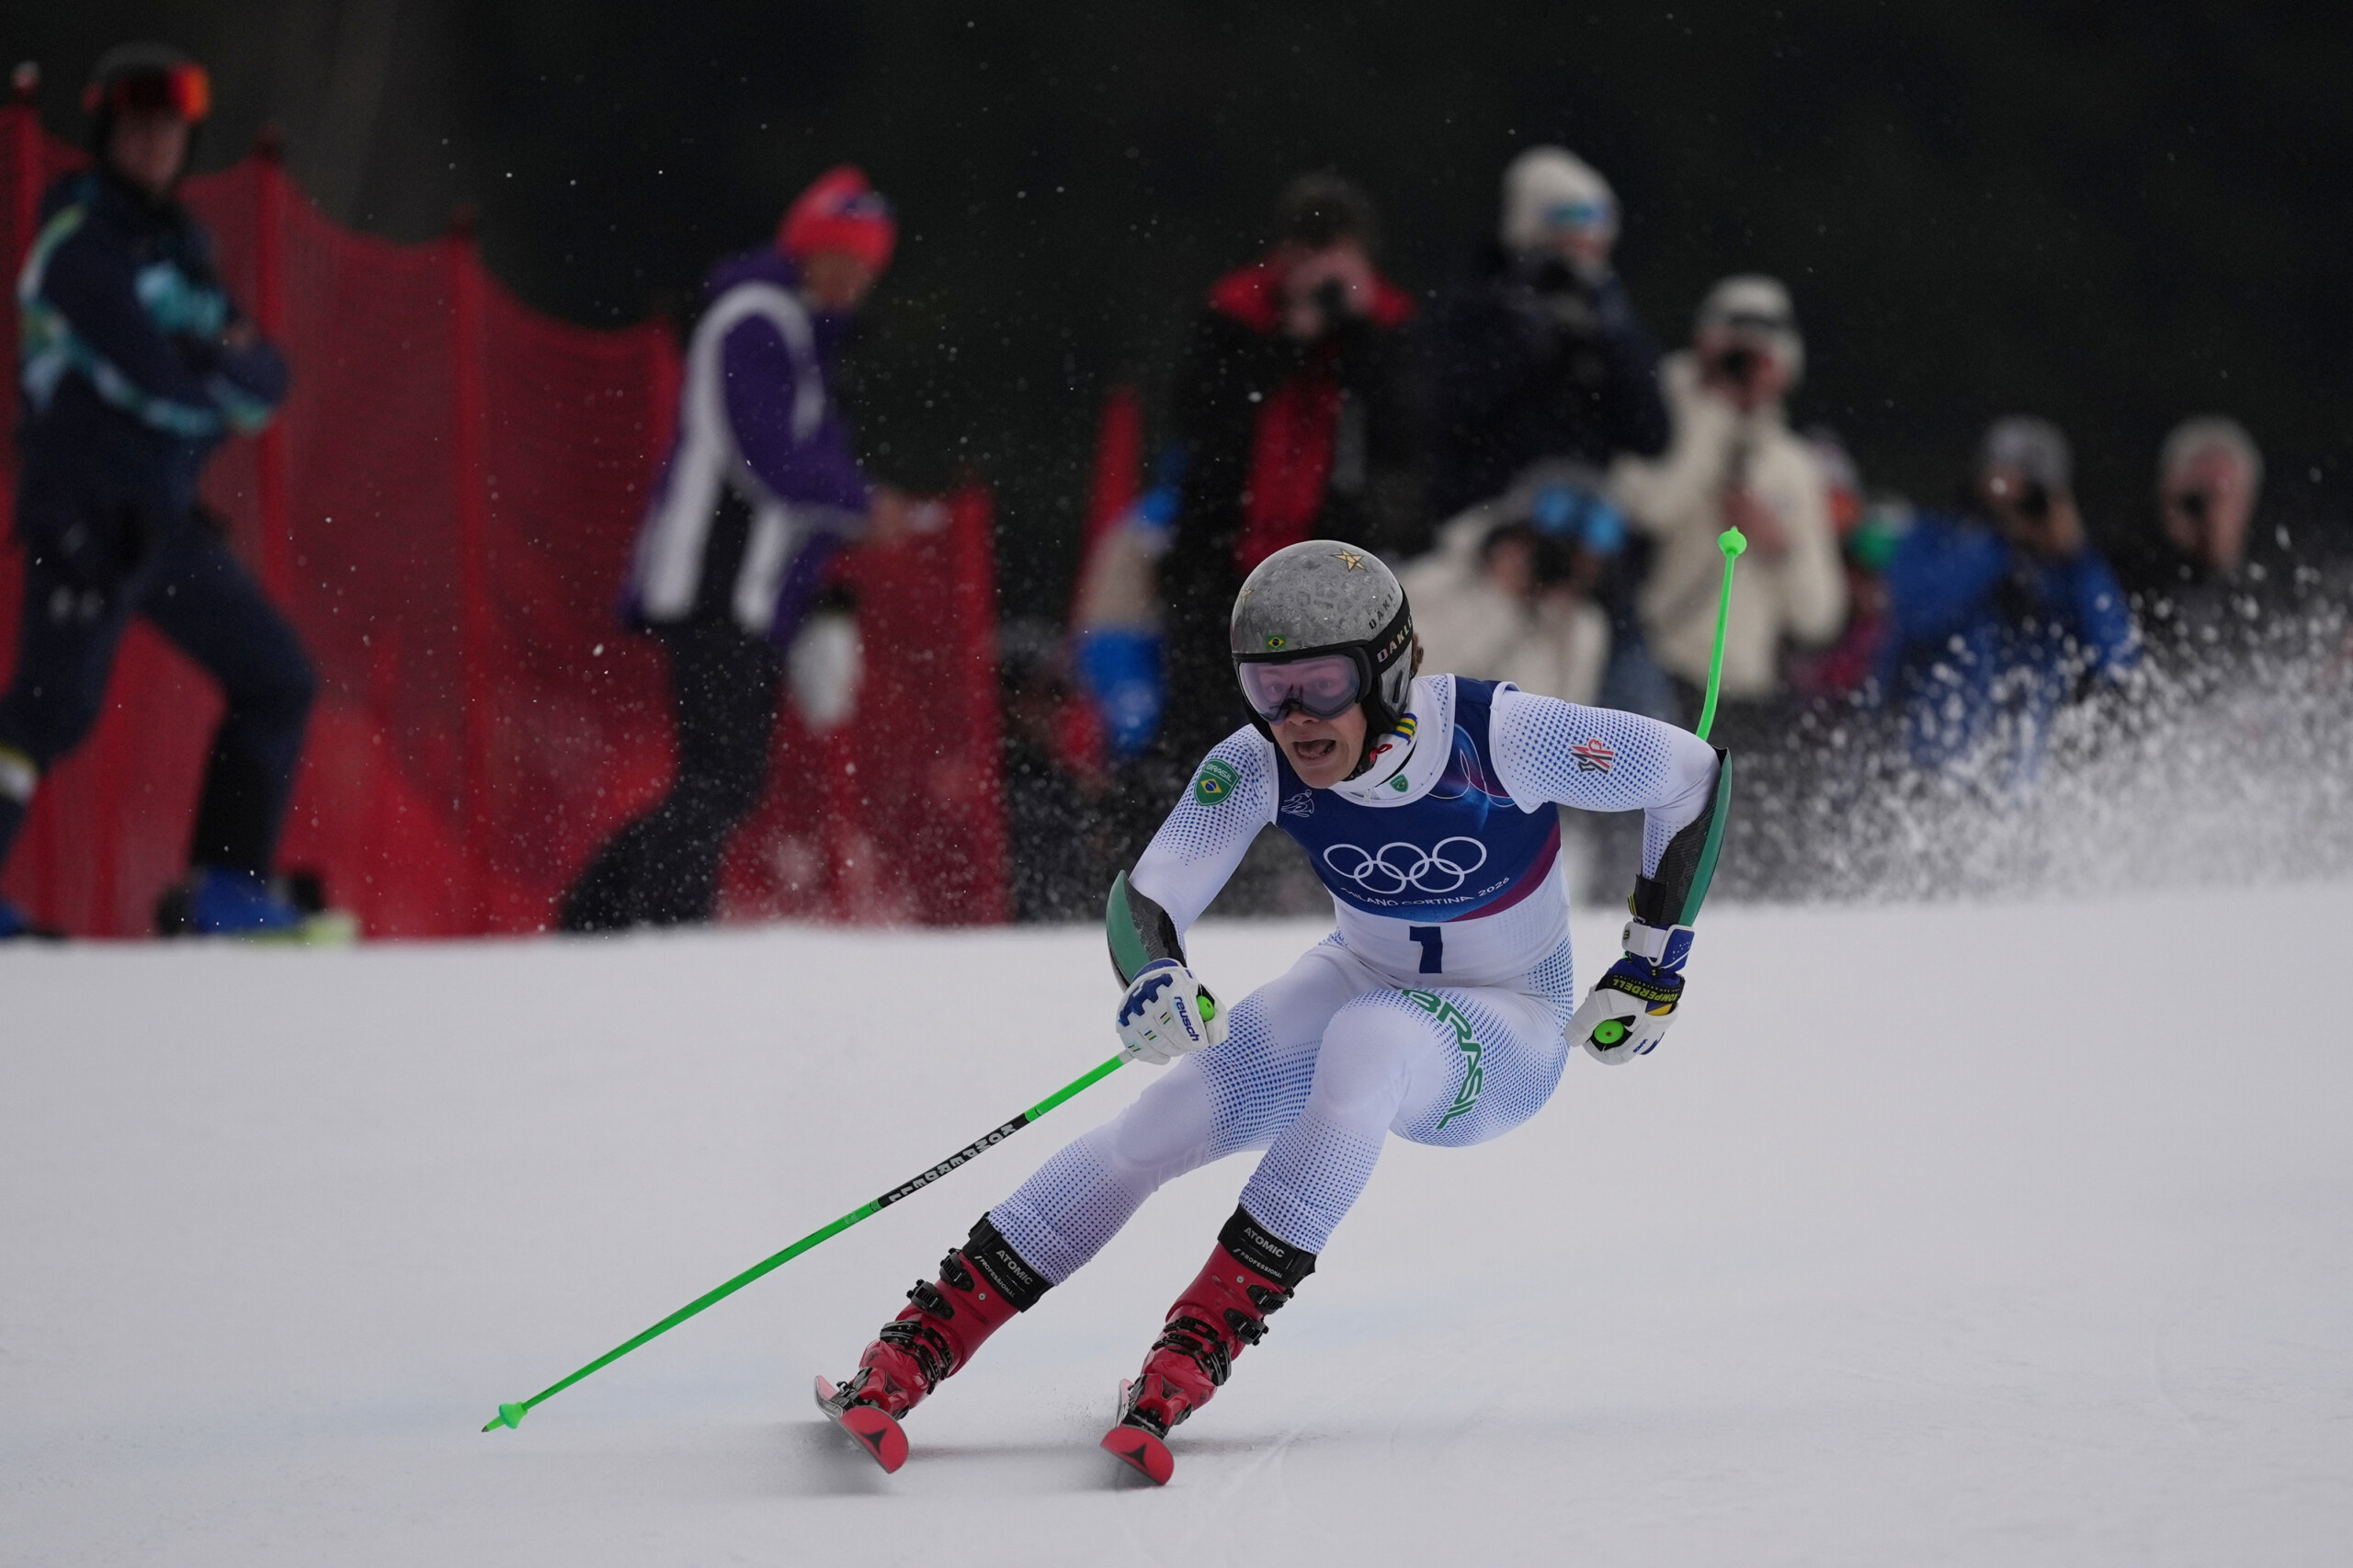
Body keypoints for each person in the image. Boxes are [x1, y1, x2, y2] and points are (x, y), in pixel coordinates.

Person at [816, 540, 1733, 1484]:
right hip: (1360, 972)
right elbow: (1151, 897)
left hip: (1506, 1028)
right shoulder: (1256, 763)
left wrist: (1653, 965)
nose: (1293, 717)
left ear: (1387, 667)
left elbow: (1690, 774)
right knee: (1159, 1121)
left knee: (1368, 1040)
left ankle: (1191, 1350)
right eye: (1266, 686)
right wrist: (1154, 976)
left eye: (1321, 683)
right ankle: (911, 1349)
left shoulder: (1500, 735)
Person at [1, 43, 310, 940]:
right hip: (86, 515)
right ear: (106, 133)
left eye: (169, 129)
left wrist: (207, 371)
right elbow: (155, 380)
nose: (154, 144)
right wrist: (212, 371)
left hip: (162, 519)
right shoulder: (78, 243)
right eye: (136, 128)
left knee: (277, 677)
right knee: (48, 711)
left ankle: (225, 892)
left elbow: (271, 380)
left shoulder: (180, 246)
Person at [559, 165, 920, 932]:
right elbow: (769, 461)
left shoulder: (799, 337)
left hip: (750, 592)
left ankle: (600, 920)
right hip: (712, 582)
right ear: (809, 253)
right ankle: (648, 921)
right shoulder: (755, 321)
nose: (857, 285)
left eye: (869, 270)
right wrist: (862, 504)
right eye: (847, 264)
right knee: (722, 777)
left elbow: (798, 477)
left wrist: (824, 590)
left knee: (724, 779)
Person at [1151, 175, 1421, 786]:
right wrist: (1290, 337)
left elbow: (1405, 436)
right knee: (1203, 728)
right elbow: (1201, 418)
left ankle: (1303, 865)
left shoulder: (1385, 325)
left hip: (1337, 571)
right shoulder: (1239, 313)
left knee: (1331, 724)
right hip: (1222, 560)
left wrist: (1358, 334)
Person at [1611, 276, 1845, 747]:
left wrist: (1778, 545)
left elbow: (1820, 616)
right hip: (1656, 669)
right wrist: (1714, 415)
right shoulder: (1658, 422)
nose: (1746, 366)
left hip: (1744, 693)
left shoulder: (1794, 467)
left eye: (1759, 355)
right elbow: (1648, 511)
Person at [1875, 416, 2138, 786]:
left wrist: (2078, 558)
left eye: (2030, 492)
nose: (2014, 501)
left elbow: (2118, 658)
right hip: (1923, 769)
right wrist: (1998, 545)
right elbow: (1917, 616)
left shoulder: (2065, 572)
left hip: (2014, 783)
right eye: (2003, 480)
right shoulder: (1933, 540)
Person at [1423, 146, 1669, 528]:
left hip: (1581, 533)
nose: (1580, 253)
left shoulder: (1608, 322)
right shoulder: (1474, 310)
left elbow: (1652, 436)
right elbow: (1448, 411)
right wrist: (1524, 337)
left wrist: (1610, 336)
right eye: (1564, 234)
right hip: (1484, 526)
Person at [1399, 462, 1624, 705]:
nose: (1558, 573)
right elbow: (1418, 685)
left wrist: (1553, 624)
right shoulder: (1435, 580)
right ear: (1515, 536)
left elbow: (1552, 723)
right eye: (1551, 556)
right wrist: (1498, 600)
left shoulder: (1581, 628)